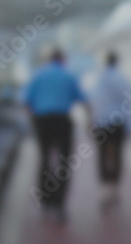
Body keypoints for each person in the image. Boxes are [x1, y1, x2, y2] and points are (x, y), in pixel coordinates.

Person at [22, 48, 90, 223]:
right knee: (64, 161)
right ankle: (60, 203)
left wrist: (33, 121)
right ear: (62, 60)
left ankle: (45, 199)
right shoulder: (68, 76)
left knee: (44, 158)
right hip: (61, 120)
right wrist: (90, 121)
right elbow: (83, 99)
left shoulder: (38, 75)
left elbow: (25, 101)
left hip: (42, 120)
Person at [90, 51, 131, 202]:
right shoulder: (123, 79)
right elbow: (129, 104)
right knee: (117, 153)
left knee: (102, 154)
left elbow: (95, 102)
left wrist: (92, 121)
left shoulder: (99, 80)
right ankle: (114, 186)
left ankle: (104, 185)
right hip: (118, 122)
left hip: (102, 122)